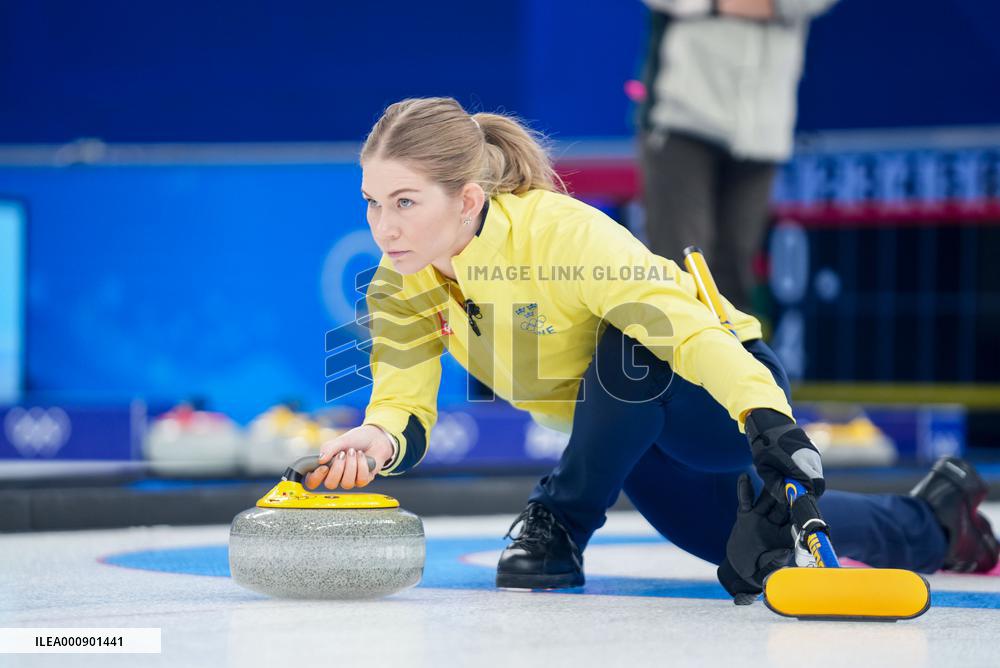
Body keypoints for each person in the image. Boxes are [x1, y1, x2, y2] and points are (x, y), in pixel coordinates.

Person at [306, 97, 998, 598]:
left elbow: (682, 331)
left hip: (719, 387)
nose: (382, 227)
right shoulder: (397, 287)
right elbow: (403, 406)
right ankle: (937, 522)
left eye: (404, 202)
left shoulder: (562, 235)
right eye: (371, 202)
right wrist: (375, 443)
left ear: (465, 199)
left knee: (626, 347)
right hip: (626, 429)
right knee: (733, 538)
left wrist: (765, 416)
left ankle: (558, 523)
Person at [636, 0, 839, 311]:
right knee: (681, 267)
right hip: (681, 119)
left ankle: (730, 359)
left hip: (763, 129)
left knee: (736, 269)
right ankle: (675, 358)